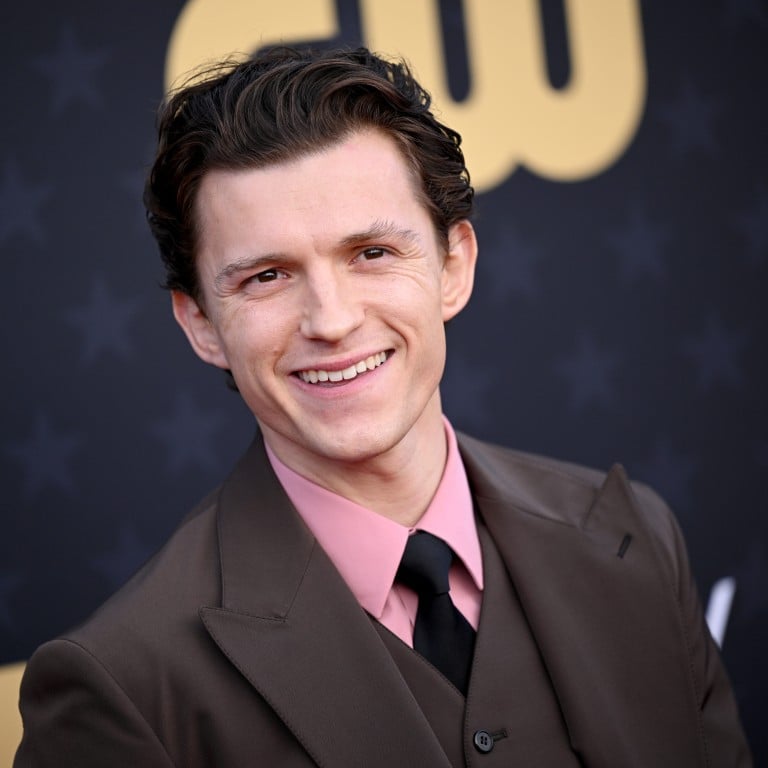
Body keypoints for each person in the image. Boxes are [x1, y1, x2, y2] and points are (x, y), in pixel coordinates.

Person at [15, 46, 751, 767]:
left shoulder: (637, 539)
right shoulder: (124, 686)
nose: (330, 320)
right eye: (267, 276)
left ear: (453, 266)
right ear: (201, 323)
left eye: (371, 253)